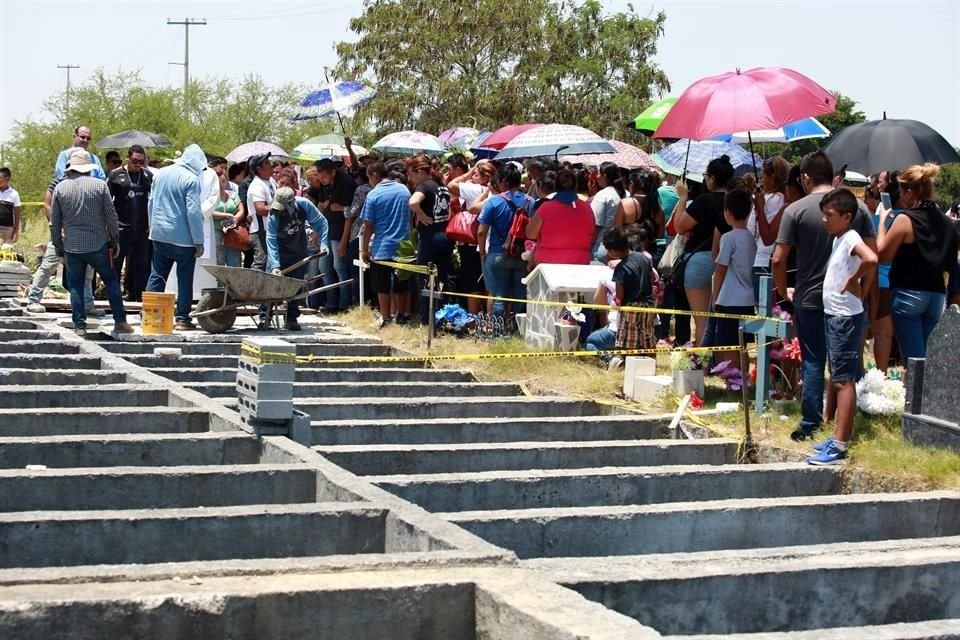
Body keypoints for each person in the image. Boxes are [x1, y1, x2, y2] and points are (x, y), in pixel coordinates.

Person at [773, 151, 876, 441]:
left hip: (808, 296)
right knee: (846, 365)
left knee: (814, 361)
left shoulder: (795, 210)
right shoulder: (856, 209)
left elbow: (779, 259)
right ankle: (844, 423)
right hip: (848, 301)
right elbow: (872, 254)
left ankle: (811, 422)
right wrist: (862, 291)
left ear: (805, 178)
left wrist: (783, 291)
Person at [807, 188, 878, 465]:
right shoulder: (839, 238)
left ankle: (840, 443)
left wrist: (854, 279)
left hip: (844, 318)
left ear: (847, 217)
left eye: (829, 215)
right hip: (834, 315)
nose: (824, 220)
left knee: (842, 381)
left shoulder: (850, 237)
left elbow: (871, 259)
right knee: (836, 376)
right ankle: (837, 434)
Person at [877, 163, 959, 362]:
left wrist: (881, 223)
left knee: (915, 362)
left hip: (908, 294)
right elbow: (950, 263)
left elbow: (882, 254)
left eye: (902, 190)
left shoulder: (905, 220)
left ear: (910, 192)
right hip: (936, 296)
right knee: (929, 360)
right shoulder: (948, 223)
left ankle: (915, 393)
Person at [49, 149, 133, 336]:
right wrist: (114, 239)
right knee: (111, 281)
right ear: (88, 168)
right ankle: (120, 321)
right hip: (97, 244)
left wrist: (58, 247)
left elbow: (55, 223)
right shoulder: (99, 186)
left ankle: (80, 325)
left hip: (72, 246)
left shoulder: (61, 188)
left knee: (76, 286)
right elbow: (111, 216)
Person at [25, 153, 98, 315]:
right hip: (61, 234)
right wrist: (58, 227)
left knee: (87, 271)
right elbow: (48, 205)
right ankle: (34, 298)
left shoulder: (91, 184)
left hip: (83, 235)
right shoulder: (58, 183)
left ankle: (87, 304)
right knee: (49, 265)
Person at [673, 155, 735, 345]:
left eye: (706, 174)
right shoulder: (734, 201)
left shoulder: (704, 201)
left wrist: (683, 198)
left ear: (712, 178)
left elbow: (679, 227)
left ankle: (702, 363)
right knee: (722, 320)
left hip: (700, 261)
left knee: (702, 321)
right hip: (729, 262)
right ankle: (718, 360)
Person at [145, 143, 206, 331]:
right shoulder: (191, 179)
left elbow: (151, 203)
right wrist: (199, 241)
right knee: (184, 279)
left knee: (157, 275)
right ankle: (182, 319)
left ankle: (150, 314)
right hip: (183, 239)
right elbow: (193, 212)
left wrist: (152, 227)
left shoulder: (161, 173)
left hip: (159, 234)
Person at [265, 187, 329, 331]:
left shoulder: (304, 206)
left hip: (298, 250)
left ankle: (291, 318)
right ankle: (265, 315)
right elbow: (271, 239)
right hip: (279, 251)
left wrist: (324, 243)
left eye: (284, 208)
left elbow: (322, 223)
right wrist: (275, 264)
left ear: (291, 203)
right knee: (271, 283)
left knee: (296, 285)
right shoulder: (274, 214)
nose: (280, 210)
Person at [478, 164, 533, 321]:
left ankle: (498, 330)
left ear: (503, 182)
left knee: (499, 295)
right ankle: (516, 327)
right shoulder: (531, 201)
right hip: (522, 255)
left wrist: (483, 253)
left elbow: (481, 231)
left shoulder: (494, 202)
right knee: (519, 296)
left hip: (498, 253)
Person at [361, 162, 412, 326]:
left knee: (381, 286)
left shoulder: (373, 195)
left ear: (374, 175)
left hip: (382, 246)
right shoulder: (404, 190)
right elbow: (411, 217)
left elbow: (369, 225)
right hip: (404, 246)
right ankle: (403, 315)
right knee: (402, 284)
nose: (370, 182)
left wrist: (365, 249)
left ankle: (386, 318)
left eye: (369, 178)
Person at [706, 189, 756, 356]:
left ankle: (733, 381)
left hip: (729, 300)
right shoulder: (751, 238)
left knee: (728, 346)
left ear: (727, 212)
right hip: (748, 300)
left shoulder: (728, 238)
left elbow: (720, 270)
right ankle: (742, 379)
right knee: (742, 346)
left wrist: (715, 296)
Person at [407, 155, 453, 325]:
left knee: (424, 279)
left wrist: (420, 214)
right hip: (445, 236)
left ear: (420, 171)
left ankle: (427, 320)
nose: (410, 179)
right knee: (441, 280)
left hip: (429, 238)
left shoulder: (424, 185)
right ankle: (440, 318)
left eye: (411, 174)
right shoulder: (442, 187)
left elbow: (413, 202)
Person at [107, 145, 153, 302]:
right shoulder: (115, 175)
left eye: (141, 161)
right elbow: (107, 202)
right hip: (121, 228)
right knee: (117, 263)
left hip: (141, 229)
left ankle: (137, 293)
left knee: (141, 264)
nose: (138, 164)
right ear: (127, 158)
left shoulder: (147, 175)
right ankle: (114, 294)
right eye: (135, 161)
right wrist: (108, 226)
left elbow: (153, 201)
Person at [311, 158, 356, 314]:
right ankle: (331, 302)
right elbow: (321, 209)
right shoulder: (325, 185)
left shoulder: (346, 183)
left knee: (340, 267)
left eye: (324, 177)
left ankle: (344, 304)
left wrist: (344, 240)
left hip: (340, 230)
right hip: (326, 229)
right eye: (319, 177)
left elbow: (351, 214)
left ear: (333, 172)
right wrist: (316, 231)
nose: (321, 180)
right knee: (324, 267)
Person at [603, 227, 656, 354]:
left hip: (630, 306)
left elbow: (620, 294)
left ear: (613, 251)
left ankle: (627, 362)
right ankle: (650, 359)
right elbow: (652, 277)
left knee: (628, 338)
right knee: (647, 334)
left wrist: (617, 302)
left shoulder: (620, 268)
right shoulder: (642, 257)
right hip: (648, 304)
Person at [525, 169, 594, 265]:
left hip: (547, 263)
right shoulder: (586, 207)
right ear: (575, 186)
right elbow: (591, 233)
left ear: (556, 186)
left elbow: (530, 234)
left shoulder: (546, 208)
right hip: (579, 262)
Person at [747, 156, 790, 305]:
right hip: (770, 261)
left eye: (763, 175)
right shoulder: (783, 199)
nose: (762, 179)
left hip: (762, 261)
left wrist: (759, 209)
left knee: (763, 313)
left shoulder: (772, 200)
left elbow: (755, 232)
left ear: (773, 177)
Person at [343, 168, 373, 306]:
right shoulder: (377, 189)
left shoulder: (362, 189)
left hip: (359, 233)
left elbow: (352, 211)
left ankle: (357, 303)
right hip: (374, 234)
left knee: (356, 271)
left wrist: (340, 208)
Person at [613, 169, 665, 244]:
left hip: (628, 251)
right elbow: (660, 239)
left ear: (631, 183)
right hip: (651, 253)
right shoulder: (658, 208)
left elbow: (617, 232)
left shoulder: (625, 203)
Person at [244, 153, 275, 272]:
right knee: (261, 264)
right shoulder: (257, 186)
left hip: (270, 230)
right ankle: (252, 290)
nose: (270, 164)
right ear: (259, 169)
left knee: (271, 263)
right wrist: (279, 206)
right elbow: (260, 209)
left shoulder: (271, 181)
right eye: (266, 163)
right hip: (260, 231)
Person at [591, 162, 625, 261]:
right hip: (620, 246)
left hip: (601, 246)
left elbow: (596, 225)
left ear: (604, 176)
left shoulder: (602, 195)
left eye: (598, 174)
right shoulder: (625, 193)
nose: (597, 177)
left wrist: (588, 245)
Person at [212, 171, 243, 267]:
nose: (221, 185)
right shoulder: (210, 197)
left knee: (235, 261)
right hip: (216, 231)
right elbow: (208, 212)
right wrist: (226, 215)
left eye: (223, 181)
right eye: (218, 182)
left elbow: (241, 210)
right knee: (218, 262)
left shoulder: (233, 194)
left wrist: (235, 219)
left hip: (231, 231)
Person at [0, 167, 21, 244]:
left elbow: (17, 214)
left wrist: (16, 231)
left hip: (8, 229)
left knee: (6, 252)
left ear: (7, 179)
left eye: (0, 178)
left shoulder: (14, 194)